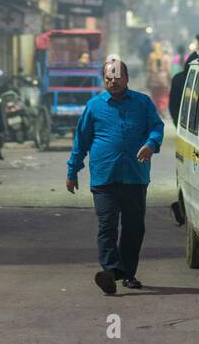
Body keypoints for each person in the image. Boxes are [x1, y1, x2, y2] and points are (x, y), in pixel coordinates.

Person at [66, 56, 164, 294]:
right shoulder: (94, 106)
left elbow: (157, 126)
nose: (113, 82)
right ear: (103, 80)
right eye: (108, 78)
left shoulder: (142, 103)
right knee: (107, 226)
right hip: (104, 177)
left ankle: (128, 274)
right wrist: (73, 170)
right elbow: (82, 140)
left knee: (133, 228)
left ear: (127, 79)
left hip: (134, 177)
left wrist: (151, 143)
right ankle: (110, 272)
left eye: (117, 77)